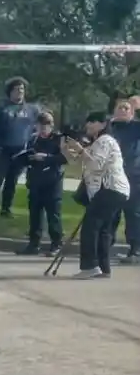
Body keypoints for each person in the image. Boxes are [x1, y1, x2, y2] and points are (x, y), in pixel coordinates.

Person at [62, 111, 130, 279]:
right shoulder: (97, 143)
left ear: (103, 124)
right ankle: (103, 268)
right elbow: (80, 163)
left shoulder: (105, 141)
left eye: (92, 122)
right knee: (103, 229)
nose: (88, 125)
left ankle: (90, 266)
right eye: (88, 122)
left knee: (90, 227)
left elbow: (96, 164)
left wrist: (79, 149)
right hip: (116, 191)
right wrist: (65, 150)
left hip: (109, 188)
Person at [0, 77, 41, 217]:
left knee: (12, 182)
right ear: (10, 92)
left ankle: (6, 209)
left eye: (22, 89)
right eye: (16, 89)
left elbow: (40, 127)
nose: (20, 92)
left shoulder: (32, 110)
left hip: (20, 152)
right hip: (2, 151)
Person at [15, 111, 65, 257]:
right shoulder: (33, 139)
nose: (43, 128)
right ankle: (33, 244)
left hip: (52, 182)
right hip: (35, 181)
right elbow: (27, 155)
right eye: (40, 125)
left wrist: (46, 157)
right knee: (35, 214)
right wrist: (25, 158)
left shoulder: (59, 139)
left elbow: (64, 158)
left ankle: (56, 244)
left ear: (52, 126)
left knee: (53, 214)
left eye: (47, 125)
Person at [106, 96, 140, 264]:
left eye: (127, 108)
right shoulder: (109, 127)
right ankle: (104, 247)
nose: (123, 110)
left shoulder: (136, 127)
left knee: (133, 213)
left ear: (132, 112)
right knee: (111, 213)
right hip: (111, 175)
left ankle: (135, 250)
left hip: (133, 176)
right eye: (120, 107)